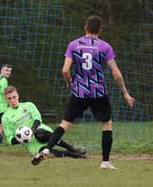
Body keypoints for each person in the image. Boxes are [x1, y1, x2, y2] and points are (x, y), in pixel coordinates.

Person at [36, 15, 135, 169]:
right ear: (100, 30)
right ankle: (105, 162)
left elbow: (65, 70)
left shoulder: (74, 45)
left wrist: (69, 82)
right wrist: (125, 93)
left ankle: (48, 148)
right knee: (107, 123)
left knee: (65, 123)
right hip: (98, 92)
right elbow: (116, 73)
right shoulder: (105, 47)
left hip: (79, 92)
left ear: (85, 28)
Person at [1, 86, 86, 165]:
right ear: (5, 99)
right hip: (30, 142)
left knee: (40, 133)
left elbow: (38, 119)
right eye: (9, 98)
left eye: (14, 97)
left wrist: (32, 130)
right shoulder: (5, 117)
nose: (12, 100)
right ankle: (70, 154)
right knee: (47, 154)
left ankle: (71, 148)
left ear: (18, 96)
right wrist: (21, 138)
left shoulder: (28, 105)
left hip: (40, 131)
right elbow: (10, 140)